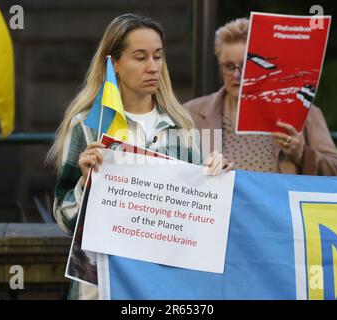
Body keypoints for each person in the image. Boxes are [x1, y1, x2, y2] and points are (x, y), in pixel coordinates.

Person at [47, 13, 232, 300]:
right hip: (101, 287)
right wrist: (85, 184)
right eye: (140, 57)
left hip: (164, 286)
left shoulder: (182, 126)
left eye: (158, 57)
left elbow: (197, 221)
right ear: (115, 63)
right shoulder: (87, 126)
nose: (153, 67)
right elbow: (63, 217)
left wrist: (217, 178)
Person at [184, 18, 337, 176]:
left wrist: (301, 154)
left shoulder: (303, 112)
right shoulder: (193, 113)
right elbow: (173, 175)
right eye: (229, 66)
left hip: (278, 205)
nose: (237, 74)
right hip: (221, 206)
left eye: (246, 66)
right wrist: (203, 172)